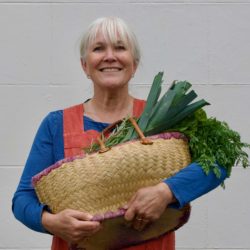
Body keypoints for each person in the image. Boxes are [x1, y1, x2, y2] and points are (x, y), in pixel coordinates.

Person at [12, 16, 227, 250]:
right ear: (85, 65)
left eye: (120, 47)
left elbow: (220, 159)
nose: (110, 56)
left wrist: (166, 192)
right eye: (98, 48)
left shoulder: (164, 117)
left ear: (134, 64)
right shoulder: (56, 124)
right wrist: (51, 222)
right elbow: (23, 199)